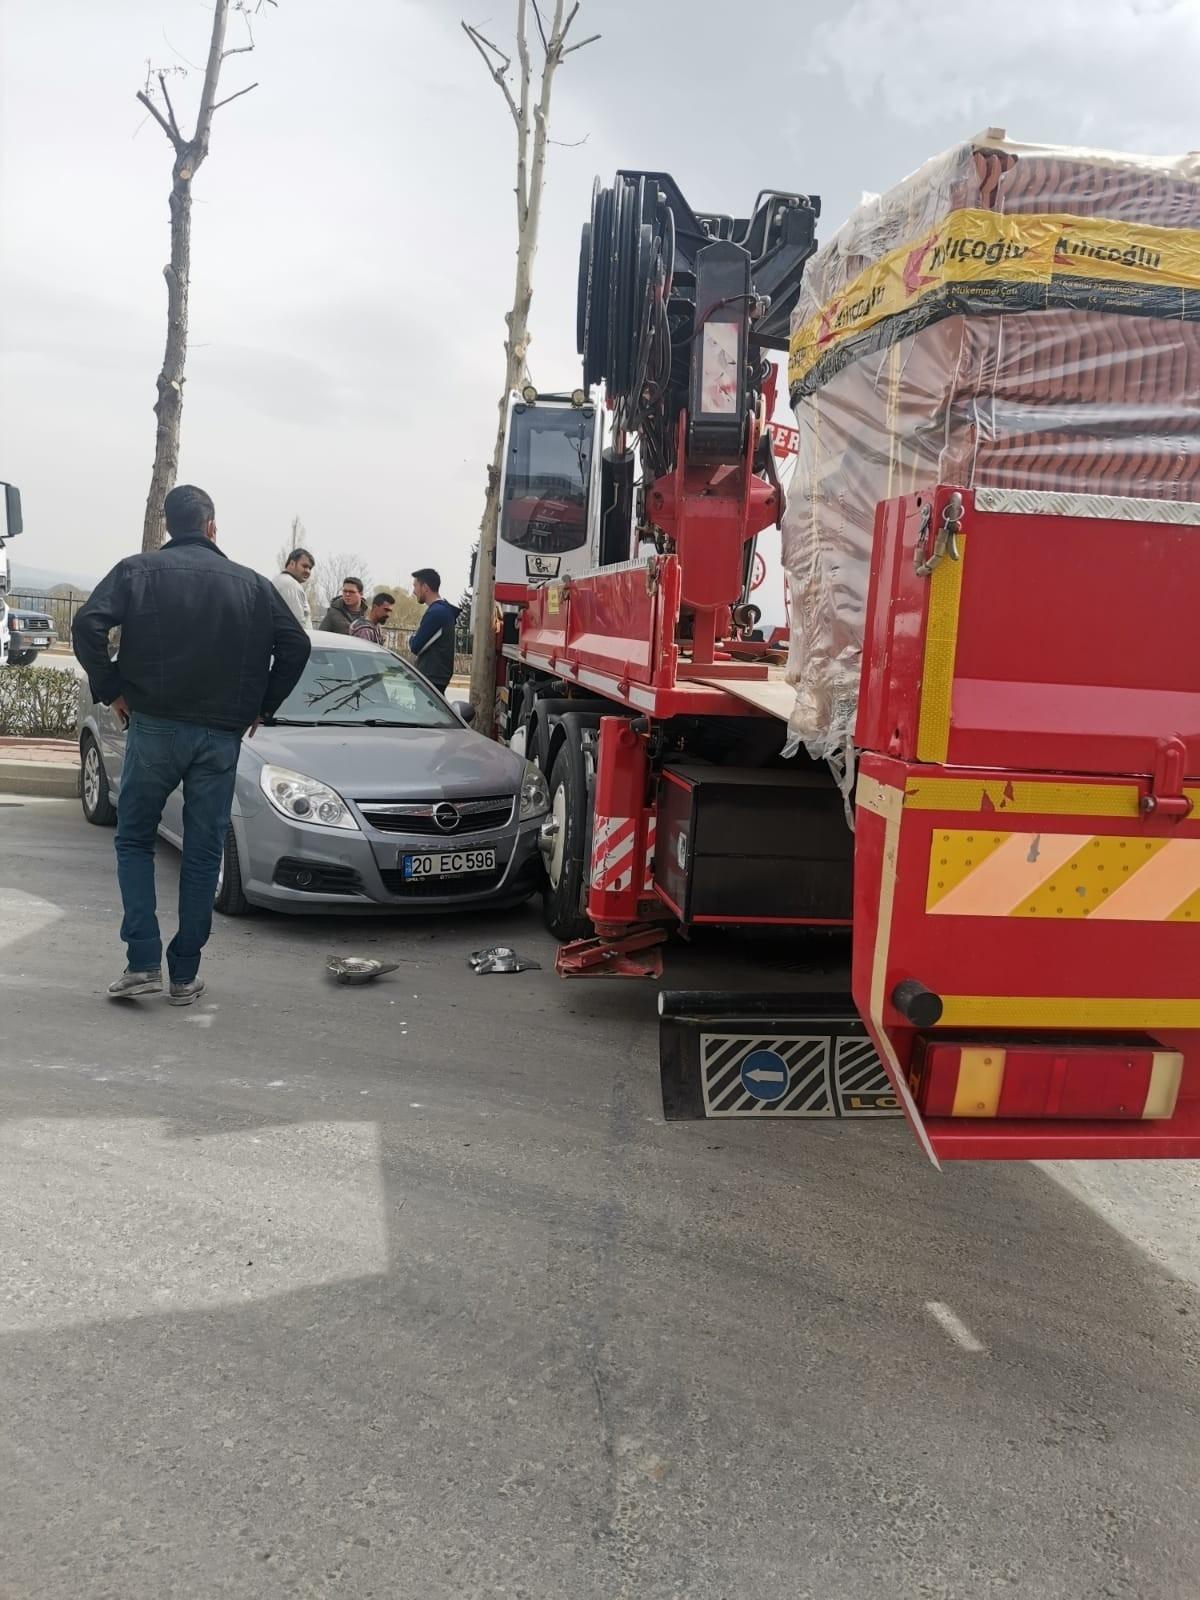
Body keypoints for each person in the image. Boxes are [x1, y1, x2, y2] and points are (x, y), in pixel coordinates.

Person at [72, 484, 311, 1006]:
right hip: (220, 736)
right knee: (202, 852)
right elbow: (297, 644)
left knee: (134, 839)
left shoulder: (137, 571)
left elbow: (86, 623)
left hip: (154, 726)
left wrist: (111, 689)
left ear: (168, 525)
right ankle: (184, 975)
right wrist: (261, 707)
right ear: (211, 527)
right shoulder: (251, 584)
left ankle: (141, 963)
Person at [409, 568, 460, 694]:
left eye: (415, 586)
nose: (414, 591)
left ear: (425, 587)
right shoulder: (443, 610)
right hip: (436, 678)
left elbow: (415, 646)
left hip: (430, 678)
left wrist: (411, 637)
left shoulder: (436, 613)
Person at [272, 547, 315, 628]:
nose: (308, 571)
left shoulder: (279, 580)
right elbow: (296, 625)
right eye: (304, 566)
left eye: (310, 568)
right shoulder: (291, 585)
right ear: (292, 564)